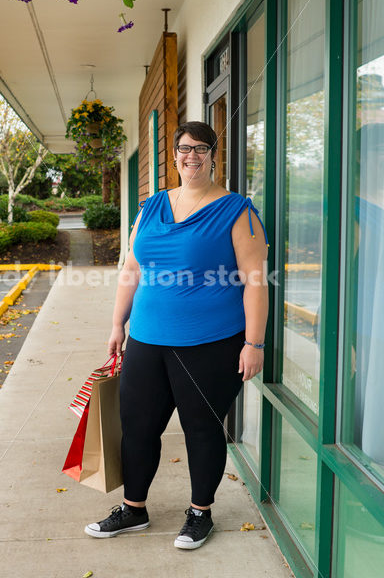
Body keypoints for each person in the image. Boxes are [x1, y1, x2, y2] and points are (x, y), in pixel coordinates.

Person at [84, 121, 269, 549]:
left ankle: (200, 513)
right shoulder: (150, 208)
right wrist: (117, 324)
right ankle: (134, 509)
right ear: (173, 155)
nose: (192, 156)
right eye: (185, 149)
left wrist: (254, 343)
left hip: (212, 342)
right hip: (147, 339)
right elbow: (132, 269)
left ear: (213, 155)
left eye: (201, 149)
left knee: (201, 428)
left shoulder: (237, 210)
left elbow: (255, 281)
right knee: (137, 426)